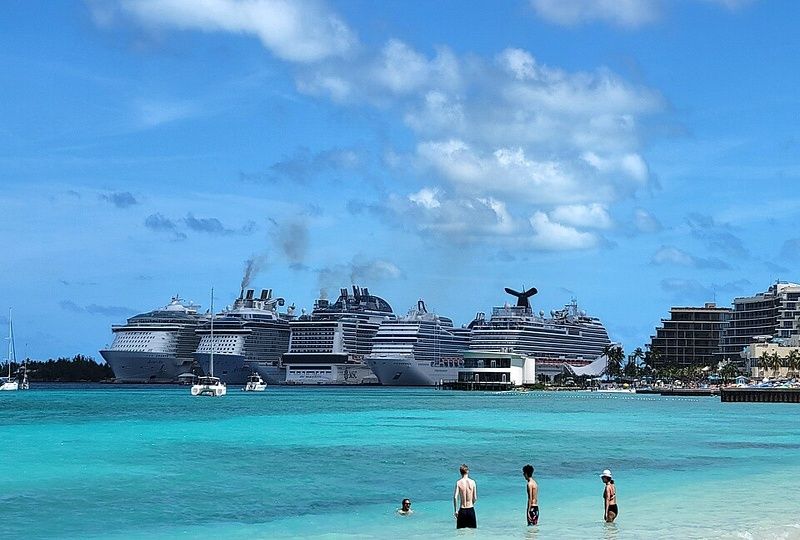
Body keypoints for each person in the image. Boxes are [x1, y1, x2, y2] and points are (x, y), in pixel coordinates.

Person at [453, 464, 477, 528]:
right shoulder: (473, 482)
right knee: (473, 532)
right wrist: (472, 503)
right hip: (470, 510)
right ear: (468, 471)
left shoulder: (458, 482)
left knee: (460, 533)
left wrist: (456, 510)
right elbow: (475, 498)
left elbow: (455, 497)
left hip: (462, 510)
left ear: (460, 472)